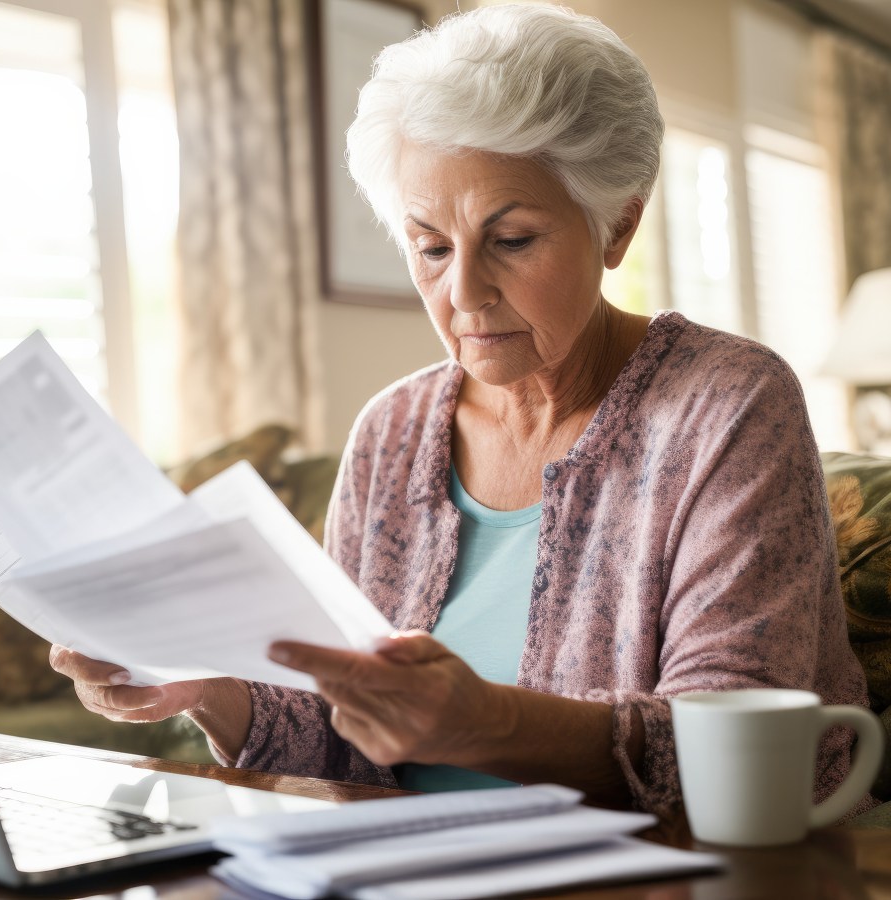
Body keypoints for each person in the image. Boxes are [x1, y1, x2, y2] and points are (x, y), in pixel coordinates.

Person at [50, 4, 871, 821]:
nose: (464, 295)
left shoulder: (727, 404)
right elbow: (338, 744)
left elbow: (733, 753)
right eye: (431, 247)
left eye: (511, 240)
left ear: (618, 226)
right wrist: (207, 685)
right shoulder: (393, 431)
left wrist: (487, 723)